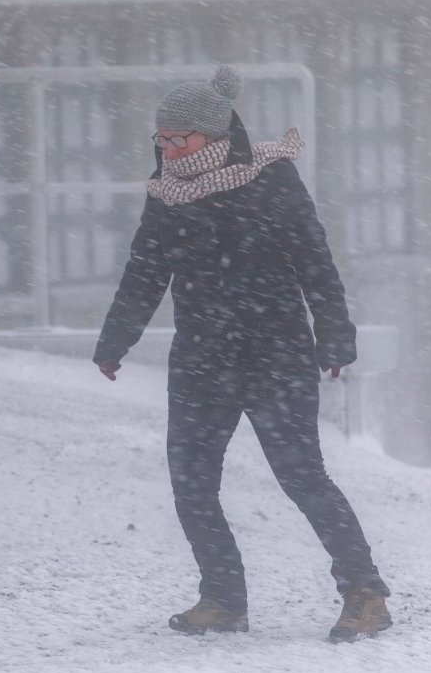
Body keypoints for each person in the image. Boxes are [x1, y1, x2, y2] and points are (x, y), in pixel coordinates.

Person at [94, 65, 392, 643]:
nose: (173, 148)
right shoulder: (167, 195)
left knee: (302, 478)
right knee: (192, 482)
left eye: (183, 137)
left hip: (274, 352)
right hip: (202, 358)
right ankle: (223, 597)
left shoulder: (270, 178)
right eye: (164, 139)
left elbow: (315, 260)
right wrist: (115, 342)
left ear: (216, 134)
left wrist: (334, 335)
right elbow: (144, 273)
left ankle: (365, 592)